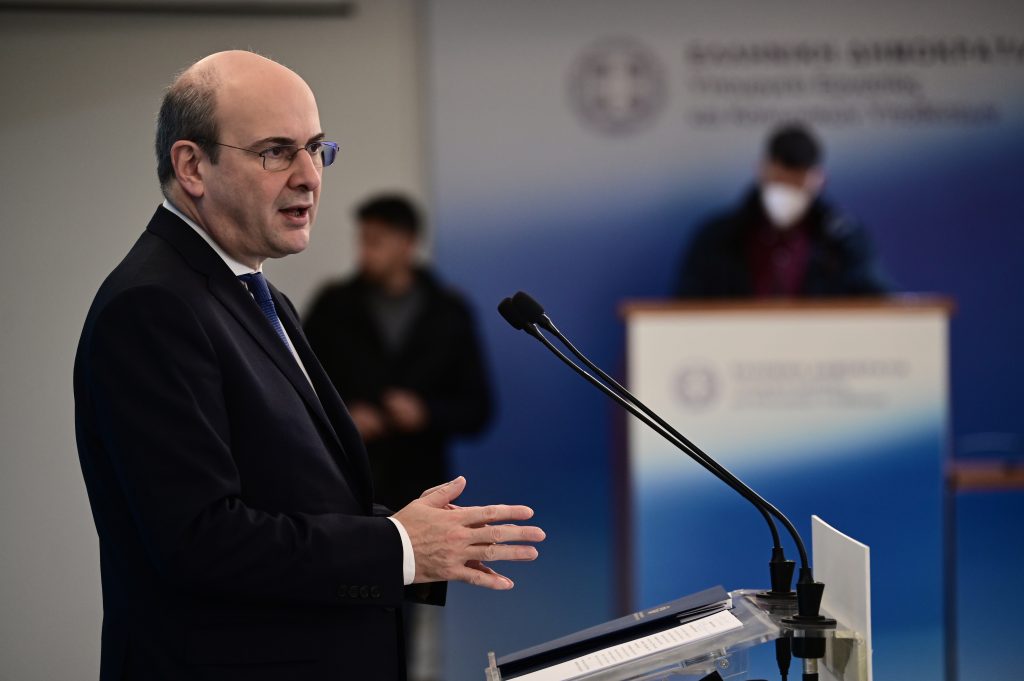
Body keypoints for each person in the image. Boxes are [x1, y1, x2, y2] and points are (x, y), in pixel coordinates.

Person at [73, 50, 544, 681]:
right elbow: (200, 540)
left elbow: (294, 496)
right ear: (192, 166)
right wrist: (397, 547)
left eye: (316, 149)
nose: (309, 177)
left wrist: (419, 536)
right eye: (275, 152)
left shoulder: (258, 295)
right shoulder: (153, 307)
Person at [304, 194, 494, 680]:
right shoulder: (332, 306)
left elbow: (479, 407)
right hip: (338, 493)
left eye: (377, 241)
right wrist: (346, 417)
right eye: (362, 240)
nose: (365, 252)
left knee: (402, 635)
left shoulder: (449, 312)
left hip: (418, 493)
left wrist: (425, 412)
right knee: (332, 629)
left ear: (407, 244)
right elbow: (294, 390)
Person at [674, 122, 889, 298]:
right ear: (762, 170)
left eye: (797, 183)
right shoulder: (718, 238)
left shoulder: (842, 240)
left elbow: (878, 300)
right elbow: (687, 306)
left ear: (818, 180)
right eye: (779, 180)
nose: (787, 192)